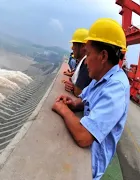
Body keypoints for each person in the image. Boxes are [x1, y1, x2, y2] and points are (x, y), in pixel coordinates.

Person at [52, 18, 130, 180]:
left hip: (89, 166)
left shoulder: (116, 88)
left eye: (88, 54)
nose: (85, 61)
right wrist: (73, 104)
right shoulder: (101, 78)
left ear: (103, 56)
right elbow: (86, 100)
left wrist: (64, 110)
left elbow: (84, 137)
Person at [64, 28, 92, 96]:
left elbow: (78, 92)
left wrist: (72, 86)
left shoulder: (86, 63)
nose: (72, 48)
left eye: (74, 45)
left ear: (83, 46)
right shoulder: (83, 62)